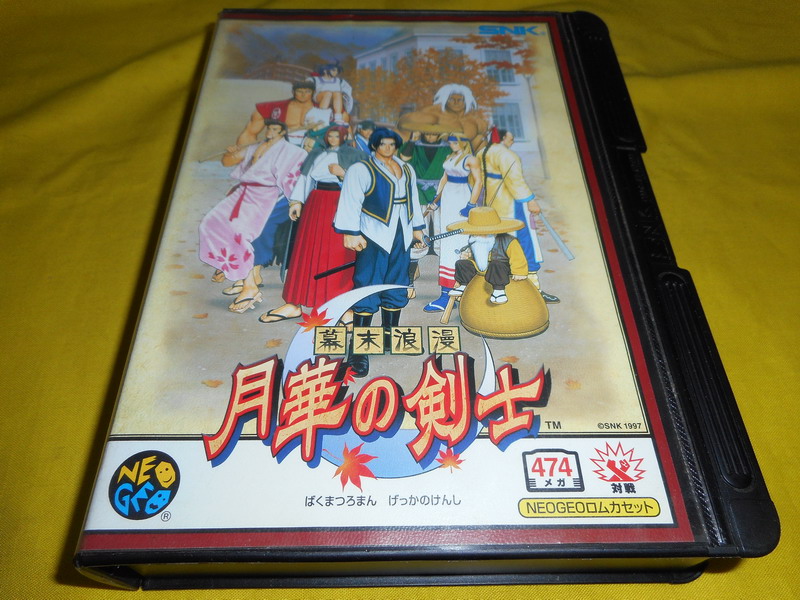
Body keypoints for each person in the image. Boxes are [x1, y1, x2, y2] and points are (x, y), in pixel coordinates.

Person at [333, 128, 426, 377]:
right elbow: (351, 200)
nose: (387, 148)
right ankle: (359, 350)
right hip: (373, 233)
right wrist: (351, 232)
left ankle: (390, 337)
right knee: (368, 285)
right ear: (374, 145)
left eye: (391, 144)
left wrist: (418, 229)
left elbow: (413, 199)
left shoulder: (406, 169)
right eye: (382, 144)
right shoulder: (361, 169)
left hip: (402, 231)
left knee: (396, 282)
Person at [260, 126, 367, 323]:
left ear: (343, 137)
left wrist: (343, 174)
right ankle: (294, 303)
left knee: (337, 255)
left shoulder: (355, 155)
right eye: (330, 135)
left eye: (337, 135)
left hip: (341, 205)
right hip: (315, 204)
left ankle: (343, 307)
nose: (333, 139)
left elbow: (364, 183)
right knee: (306, 252)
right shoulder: (316, 154)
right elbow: (305, 178)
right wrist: (296, 202)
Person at [198, 120, 306, 313]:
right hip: (243, 192)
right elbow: (227, 161)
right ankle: (231, 268)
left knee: (239, 234)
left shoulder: (290, 151)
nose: (270, 131)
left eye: (275, 129)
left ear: (282, 132)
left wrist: (294, 201)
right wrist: (232, 152)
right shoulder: (255, 147)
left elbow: (293, 177)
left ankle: (249, 286)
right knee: (209, 224)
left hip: (264, 196)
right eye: (268, 128)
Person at [472, 128, 559, 303]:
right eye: (510, 139)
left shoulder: (482, 152)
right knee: (524, 243)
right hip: (511, 205)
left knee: (495, 245)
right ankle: (533, 290)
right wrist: (531, 200)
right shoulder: (506, 154)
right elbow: (515, 181)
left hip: (490, 206)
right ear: (502, 138)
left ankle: (498, 288)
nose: (512, 142)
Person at [422, 133, 482, 312]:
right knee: (446, 242)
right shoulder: (450, 157)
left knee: (459, 241)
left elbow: (478, 182)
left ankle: (462, 291)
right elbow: (444, 179)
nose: (452, 145)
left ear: (463, 142)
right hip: (448, 198)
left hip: (462, 198)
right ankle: (445, 293)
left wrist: (471, 204)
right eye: (450, 142)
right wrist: (436, 199)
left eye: (455, 142)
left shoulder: (470, 159)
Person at [398, 130, 451, 298]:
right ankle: (409, 282)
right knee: (417, 237)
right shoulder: (414, 146)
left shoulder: (447, 148)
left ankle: (448, 286)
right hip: (418, 195)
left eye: (433, 133)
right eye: (427, 133)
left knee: (444, 236)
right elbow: (403, 159)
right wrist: (412, 140)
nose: (430, 136)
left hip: (442, 195)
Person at [447, 207, 528, 305]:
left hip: (501, 270)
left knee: (496, 265)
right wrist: (468, 257)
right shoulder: (474, 240)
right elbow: (477, 256)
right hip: (481, 270)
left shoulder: (508, 240)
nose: (480, 235)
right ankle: (464, 285)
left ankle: (499, 290)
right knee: (461, 263)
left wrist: (519, 272)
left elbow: (518, 257)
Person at [397, 83, 488, 151]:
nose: (456, 102)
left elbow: (481, 132)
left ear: (466, 101)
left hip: (462, 155)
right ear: (445, 100)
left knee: (480, 139)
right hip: (430, 149)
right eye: (452, 99)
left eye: (460, 100)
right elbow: (404, 122)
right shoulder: (434, 111)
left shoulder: (474, 120)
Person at [236, 80, 318, 147]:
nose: (303, 95)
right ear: (293, 92)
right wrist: (246, 155)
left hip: (310, 148)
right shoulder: (271, 107)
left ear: (314, 92)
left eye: (308, 91)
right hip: (279, 147)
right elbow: (249, 133)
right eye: (299, 91)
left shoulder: (322, 110)